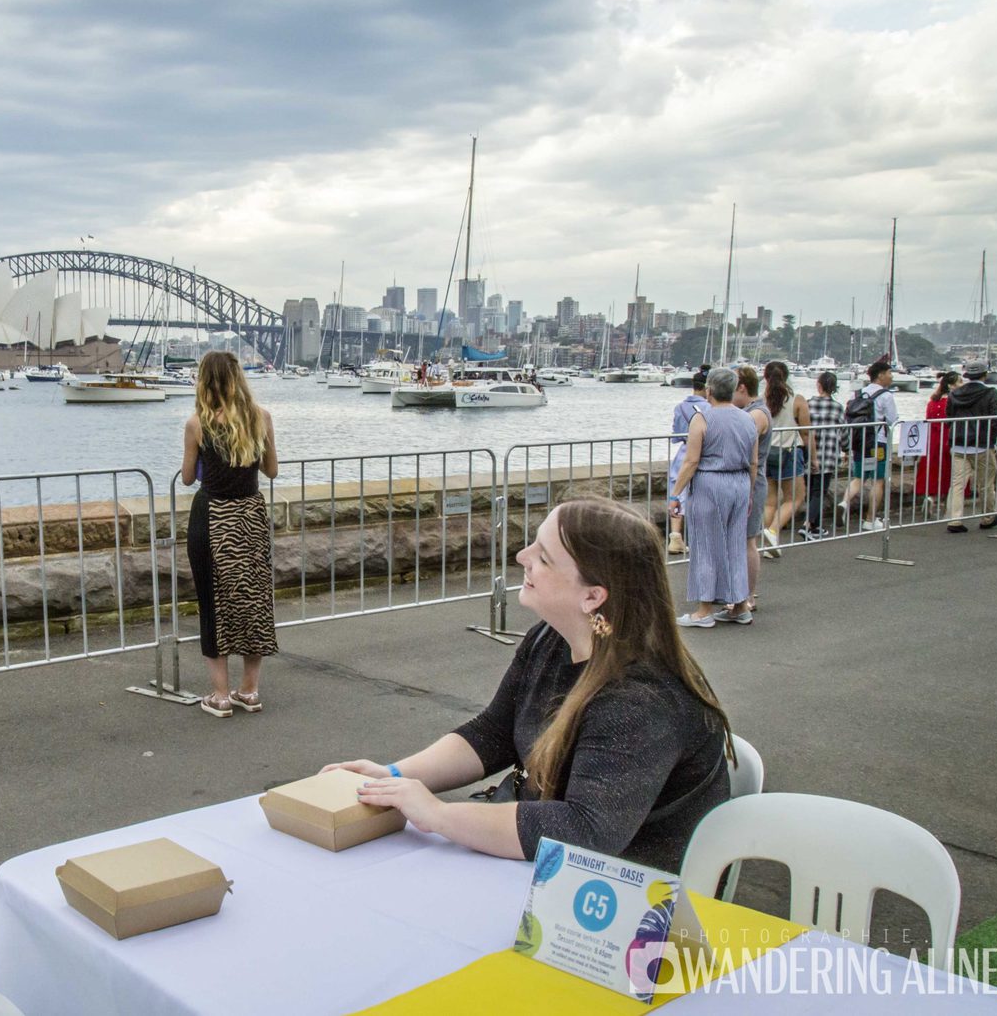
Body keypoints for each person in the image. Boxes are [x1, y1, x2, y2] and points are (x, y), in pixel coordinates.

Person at [322, 498, 732, 873]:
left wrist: (437, 815)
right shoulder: (551, 638)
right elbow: (493, 733)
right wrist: (390, 777)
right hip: (550, 870)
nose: (522, 557)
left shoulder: (641, 700)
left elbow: (586, 830)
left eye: (543, 558)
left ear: (592, 597)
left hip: (625, 903)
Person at [182, 350, 279, 718]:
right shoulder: (262, 418)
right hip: (250, 517)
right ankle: (249, 691)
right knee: (252, 600)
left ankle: (220, 696)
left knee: (213, 602)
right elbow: (271, 470)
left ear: (205, 382)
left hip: (213, 517)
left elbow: (189, 476)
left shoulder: (198, 424)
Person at [670, 367, 758, 627]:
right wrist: (750, 491)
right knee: (735, 545)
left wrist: (676, 495)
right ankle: (740, 605)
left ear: (709, 390)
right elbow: (753, 462)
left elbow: (692, 460)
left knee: (706, 545)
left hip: (711, 482)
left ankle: (704, 609)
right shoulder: (747, 419)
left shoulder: (702, 418)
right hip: (740, 482)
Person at [946, 361, 997, 533]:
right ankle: (987, 517)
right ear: (985, 374)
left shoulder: (955, 393)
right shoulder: (991, 393)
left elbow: (949, 415)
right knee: (986, 483)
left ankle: (954, 520)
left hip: (958, 443)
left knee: (957, 484)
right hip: (981, 444)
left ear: (967, 375)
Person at [760, 361, 814, 554]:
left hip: (766, 453)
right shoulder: (797, 400)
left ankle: (768, 541)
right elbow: (806, 433)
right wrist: (813, 458)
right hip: (790, 451)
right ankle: (773, 531)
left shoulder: (760, 400)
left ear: (765, 378)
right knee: (795, 498)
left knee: (769, 501)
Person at [841, 361, 899, 531]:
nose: (891, 376)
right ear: (880, 375)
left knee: (859, 477)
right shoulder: (886, 395)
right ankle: (869, 520)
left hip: (860, 442)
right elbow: (892, 420)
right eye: (889, 372)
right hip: (878, 442)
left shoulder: (858, 394)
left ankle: (844, 502)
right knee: (878, 481)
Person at [732, 366, 771, 607]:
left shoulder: (756, 414)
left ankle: (747, 596)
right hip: (746, 482)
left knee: (748, 541)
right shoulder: (750, 411)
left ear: (742, 388)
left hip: (752, 483)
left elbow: (744, 449)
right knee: (741, 541)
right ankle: (739, 594)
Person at [665, 368, 708, 555]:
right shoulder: (709, 408)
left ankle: (675, 535)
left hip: (682, 452)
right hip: (702, 452)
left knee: (677, 491)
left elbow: (676, 435)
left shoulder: (680, 407)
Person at [802, 371, 847, 540]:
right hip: (828, 455)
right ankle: (808, 525)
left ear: (818, 385)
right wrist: (847, 449)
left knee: (810, 491)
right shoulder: (837, 407)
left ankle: (815, 526)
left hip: (808, 454)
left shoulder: (808, 404)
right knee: (819, 492)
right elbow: (844, 432)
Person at [915, 372, 961, 517]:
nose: (962, 384)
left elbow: (927, 419)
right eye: (959, 382)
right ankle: (947, 507)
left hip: (933, 440)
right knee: (951, 472)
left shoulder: (933, 402)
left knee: (933, 471)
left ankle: (931, 498)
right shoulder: (955, 402)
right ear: (951, 385)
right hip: (949, 438)